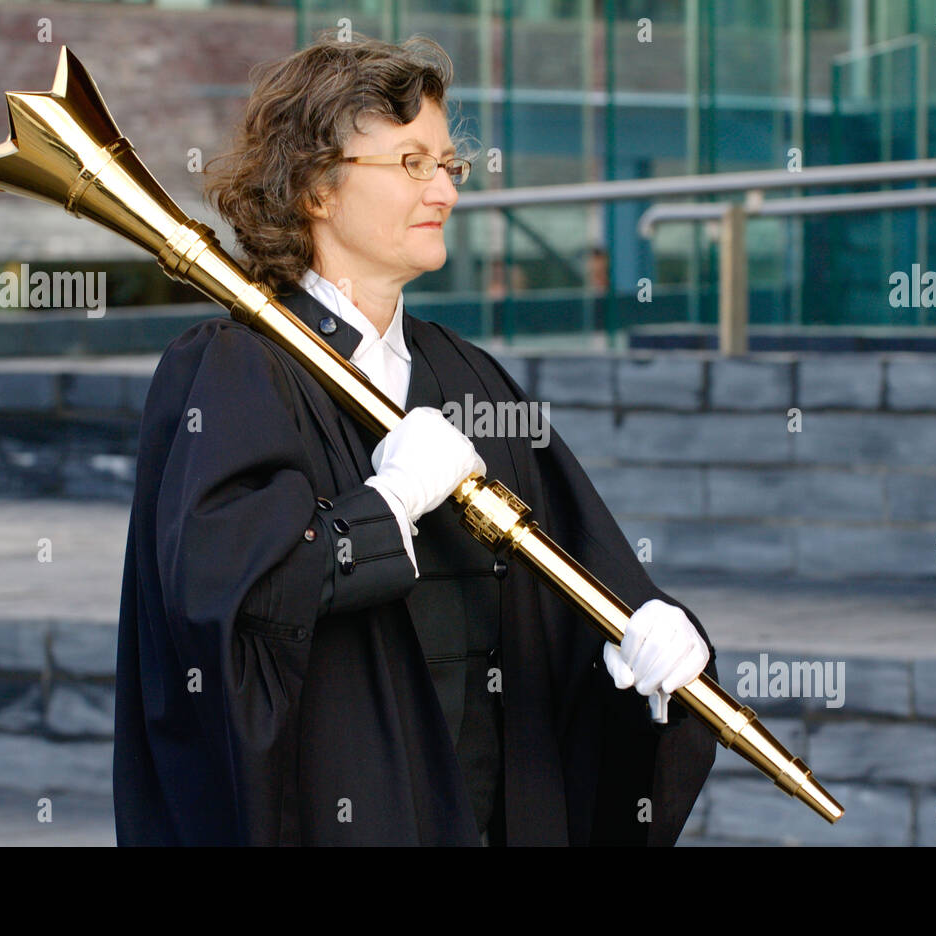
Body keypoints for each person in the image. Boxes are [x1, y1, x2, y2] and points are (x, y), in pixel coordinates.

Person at [113, 30, 719, 846]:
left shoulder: (469, 377)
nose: (445, 191)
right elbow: (232, 609)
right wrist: (388, 504)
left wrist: (647, 650)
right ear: (314, 188)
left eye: (448, 166)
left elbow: (578, 583)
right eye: (411, 164)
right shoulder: (231, 373)